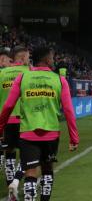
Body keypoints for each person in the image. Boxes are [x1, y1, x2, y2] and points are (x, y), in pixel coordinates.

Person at [0, 45, 79, 201]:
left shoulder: (23, 78)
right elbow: (69, 111)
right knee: (47, 169)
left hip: (28, 133)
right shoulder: (59, 80)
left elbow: (8, 106)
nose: (53, 59)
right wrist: (73, 138)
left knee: (30, 170)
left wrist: (0, 127)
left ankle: (17, 187)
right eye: (52, 56)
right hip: (51, 134)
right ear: (47, 59)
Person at [0, 45, 30, 199]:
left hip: (6, 121)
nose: (29, 59)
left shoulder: (2, 73)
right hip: (25, 121)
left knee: (9, 154)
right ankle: (17, 181)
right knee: (28, 155)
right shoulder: (28, 73)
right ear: (23, 57)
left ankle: (10, 186)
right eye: (28, 57)